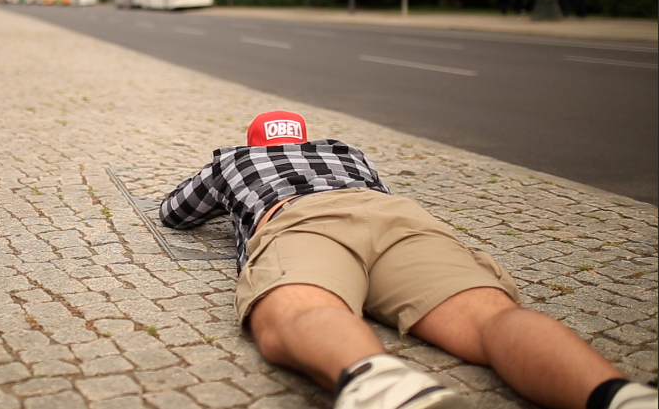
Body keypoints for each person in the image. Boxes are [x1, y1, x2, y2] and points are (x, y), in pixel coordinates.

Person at [159, 110, 657, 409]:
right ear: (305, 138)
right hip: (395, 215)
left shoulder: (234, 159)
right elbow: (379, 187)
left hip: (303, 220)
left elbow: (176, 213)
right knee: (492, 319)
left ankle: (378, 382)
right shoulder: (343, 150)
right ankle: (618, 395)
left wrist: (230, 197)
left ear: (254, 142)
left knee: (301, 311)